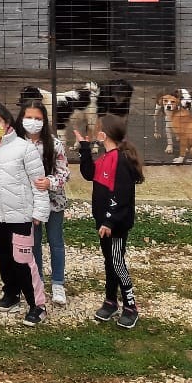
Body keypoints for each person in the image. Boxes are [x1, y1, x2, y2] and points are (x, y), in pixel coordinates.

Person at [0, 102, 49, 327]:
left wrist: (39, 211)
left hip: (20, 215)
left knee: (24, 260)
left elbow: (38, 183)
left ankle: (37, 304)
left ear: (7, 122)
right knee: (4, 257)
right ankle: (11, 292)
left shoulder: (24, 148)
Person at [79, 115, 144, 329]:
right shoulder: (106, 157)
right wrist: (85, 148)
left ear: (103, 134)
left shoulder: (121, 160)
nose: (95, 131)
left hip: (115, 224)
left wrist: (109, 220)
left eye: (97, 129)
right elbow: (89, 174)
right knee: (109, 260)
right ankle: (110, 300)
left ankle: (130, 306)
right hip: (104, 222)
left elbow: (122, 196)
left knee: (117, 262)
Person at [20, 99, 69, 306]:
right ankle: (36, 280)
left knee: (56, 242)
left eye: (37, 118)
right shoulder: (17, 144)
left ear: (45, 120)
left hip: (53, 202)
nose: (33, 122)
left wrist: (50, 181)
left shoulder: (54, 144)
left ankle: (58, 282)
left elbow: (65, 173)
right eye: (29, 117)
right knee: (34, 244)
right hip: (28, 204)